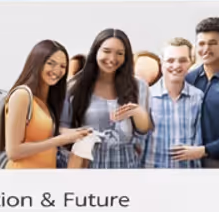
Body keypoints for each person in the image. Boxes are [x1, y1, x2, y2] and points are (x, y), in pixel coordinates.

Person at [62, 28, 152, 169]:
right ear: (95, 51)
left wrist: (137, 112)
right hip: (88, 162)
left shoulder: (139, 86)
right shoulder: (74, 86)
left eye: (120, 53)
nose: (112, 58)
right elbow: (62, 128)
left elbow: (143, 130)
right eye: (106, 51)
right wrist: (82, 135)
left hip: (126, 163)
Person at [0, 40, 89, 169]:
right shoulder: (22, 95)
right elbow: (13, 152)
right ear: (37, 63)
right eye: (51, 63)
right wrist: (58, 141)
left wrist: (75, 133)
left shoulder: (46, 100)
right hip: (21, 176)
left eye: (62, 66)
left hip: (44, 176)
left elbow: (42, 132)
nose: (57, 70)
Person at [181, 15, 219, 166]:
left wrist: (205, 150)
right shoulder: (190, 78)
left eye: (212, 43)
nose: (206, 49)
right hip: (191, 160)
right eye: (201, 43)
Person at [145, 38, 204, 169]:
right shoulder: (147, 96)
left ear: (190, 62)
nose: (176, 66)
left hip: (187, 172)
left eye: (182, 60)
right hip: (153, 170)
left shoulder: (198, 97)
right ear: (162, 63)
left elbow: (198, 140)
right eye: (170, 60)